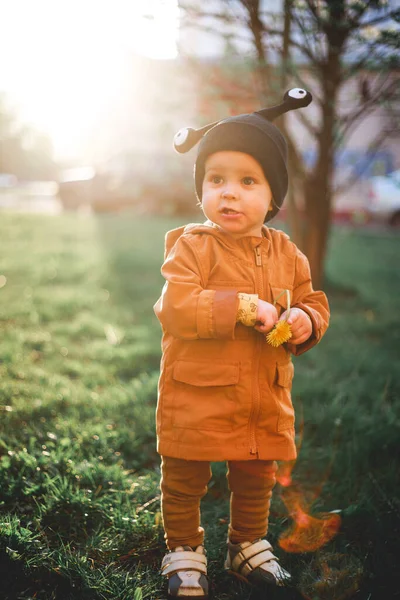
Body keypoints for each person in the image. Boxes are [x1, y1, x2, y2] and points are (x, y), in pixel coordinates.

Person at [153, 88, 330, 599]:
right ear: (201, 189)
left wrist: (304, 320)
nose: (228, 193)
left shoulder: (288, 254)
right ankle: (183, 546)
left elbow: (313, 300)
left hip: (260, 398)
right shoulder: (192, 246)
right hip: (195, 392)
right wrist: (247, 307)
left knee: (256, 475)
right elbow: (177, 306)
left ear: (273, 196)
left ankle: (247, 541)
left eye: (247, 181)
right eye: (216, 179)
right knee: (186, 476)